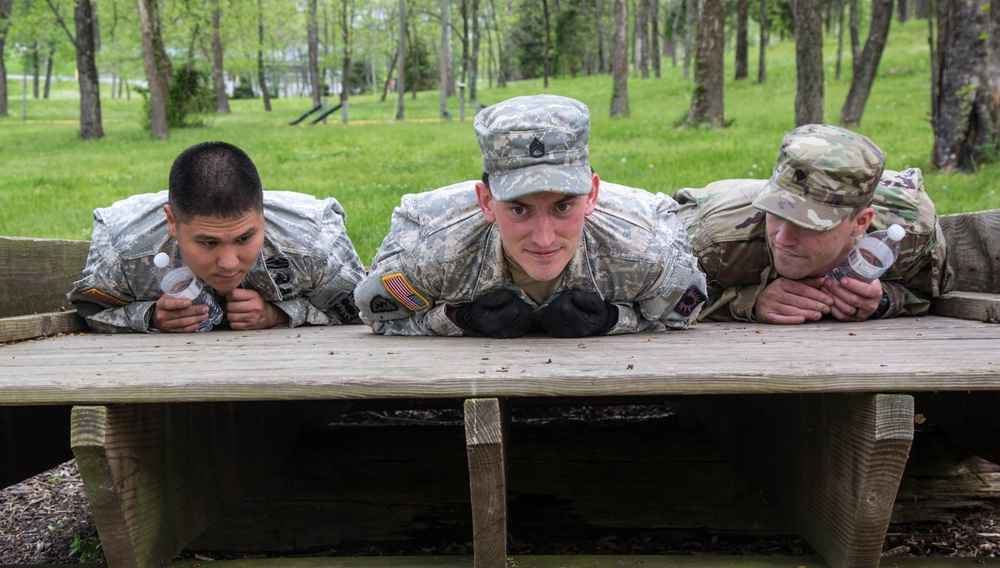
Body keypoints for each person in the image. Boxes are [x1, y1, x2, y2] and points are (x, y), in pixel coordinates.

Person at [354, 94, 707, 337]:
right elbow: (376, 315)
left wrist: (613, 319)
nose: (544, 238)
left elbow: (683, 314)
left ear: (592, 195)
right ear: (487, 201)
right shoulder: (431, 250)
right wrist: (458, 319)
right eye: (519, 209)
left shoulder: (643, 246)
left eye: (562, 207)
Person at [68, 141, 365, 333]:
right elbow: (89, 310)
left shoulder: (312, 238)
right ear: (172, 221)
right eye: (208, 242)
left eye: (244, 238)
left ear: (264, 215)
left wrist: (279, 314)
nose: (228, 263)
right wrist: (149, 317)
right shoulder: (123, 244)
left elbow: (361, 309)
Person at [673, 123, 954, 324]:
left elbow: (930, 293)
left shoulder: (910, 233)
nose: (782, 238)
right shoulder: (714, 239)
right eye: (776, 211)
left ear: (860, 223)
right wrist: (747, 302)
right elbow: (655, 298)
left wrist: (883, 301)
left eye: (809, 224)